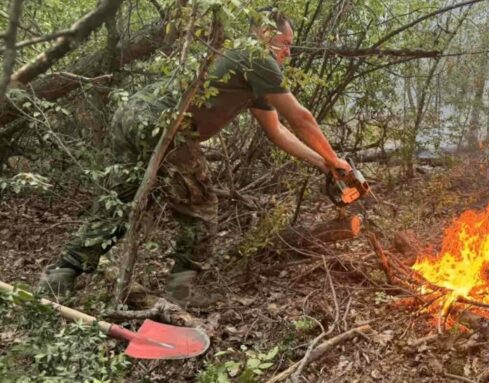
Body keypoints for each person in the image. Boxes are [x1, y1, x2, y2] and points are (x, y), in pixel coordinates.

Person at [38, 9, 351, 305]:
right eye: (285, 44)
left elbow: (277, 132)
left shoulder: (243, 60)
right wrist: (336, 157)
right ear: (264, 34)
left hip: (133, 113)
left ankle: (61, 274)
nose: (288, 53)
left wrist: (325, 164)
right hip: (165, 124)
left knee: (120, 201)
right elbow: (301, 119)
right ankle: (180, 293)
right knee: (200, 205)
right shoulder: (257, 57)